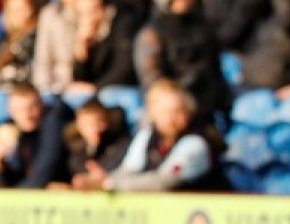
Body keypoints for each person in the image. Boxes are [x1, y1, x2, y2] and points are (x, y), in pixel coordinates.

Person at [73, 80, 229, 192]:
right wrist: (100, 180)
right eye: (165, 112)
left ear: (188, 113)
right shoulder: (147, 135)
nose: (171, 119)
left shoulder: (196, 144)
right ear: (153, 112)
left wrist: (109, 184)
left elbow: (163, 182)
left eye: (177, 112)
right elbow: (129, 170)